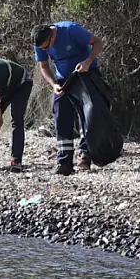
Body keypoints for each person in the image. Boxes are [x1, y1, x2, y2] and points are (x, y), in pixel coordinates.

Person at [31, 22, 103, 175]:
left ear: (52, 36)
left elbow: (97, 42)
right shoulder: (39, 43)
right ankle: (64, 161)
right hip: (63, 79)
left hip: (86, 73)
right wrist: (53, 84)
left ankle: (85, 154)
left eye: (46, 47)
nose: (45, 50)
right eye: (42, 49)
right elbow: (44, 67)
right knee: (60, 114)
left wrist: (88, 62)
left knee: (88, 113)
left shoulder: (71, 30)